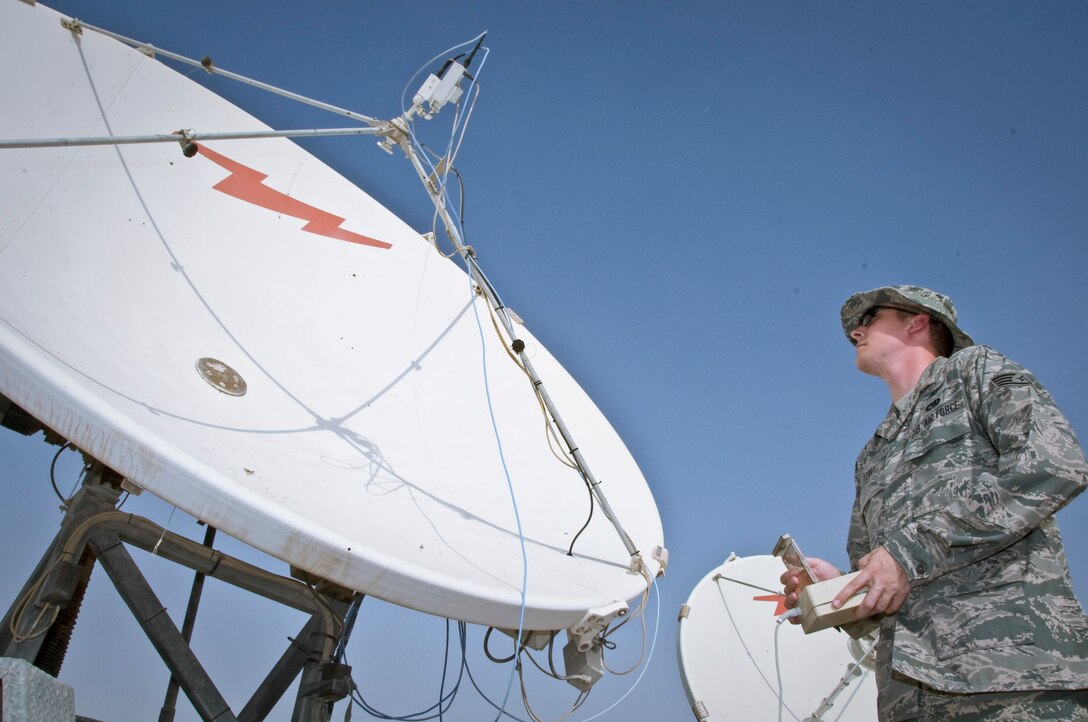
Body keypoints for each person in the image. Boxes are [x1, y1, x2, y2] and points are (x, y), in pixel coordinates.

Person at [781, 285, 1088, 721]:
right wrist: (841, 588)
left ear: (918, 320)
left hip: (1010, 680)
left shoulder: (974, 372)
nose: (856, 330)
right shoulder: (872, 456)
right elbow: (884, 587)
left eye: (870, 317)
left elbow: (1056, 465)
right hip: (910, 698)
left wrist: (907, 554)